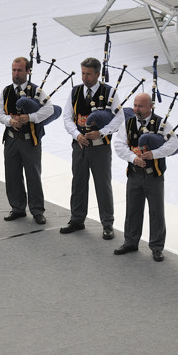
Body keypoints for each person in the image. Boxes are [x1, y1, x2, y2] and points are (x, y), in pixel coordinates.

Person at [112, 93, 178, 261]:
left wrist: (154, 154)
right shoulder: (128, 124)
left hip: (153, 176)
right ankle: (130, 241)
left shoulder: (160, 124)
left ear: (150, 107)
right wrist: (133, 158)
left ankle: (156, 246)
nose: (136, 109)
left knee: (156, 211)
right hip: (134, 174)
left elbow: (173, 144)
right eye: (135, 105)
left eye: (140, 106)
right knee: (132, 209)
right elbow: (119, 145)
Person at [61, 57, 123, 239]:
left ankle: (107, 223)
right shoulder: (75, 91)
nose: (84, 77)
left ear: (97, 74)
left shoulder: (109, 92)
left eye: (88, 74)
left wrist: (102, 132)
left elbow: (118, 118)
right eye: (82, 73)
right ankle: (77, 219)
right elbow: (67, 117)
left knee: (102, 185)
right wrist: (77, 135)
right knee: (78, 182)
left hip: (100, 148)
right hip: (80, 145)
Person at [0, 56, 53, 224]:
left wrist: (31, 117)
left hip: (30, 141)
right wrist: (9, 121)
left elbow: (49, 109)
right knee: (12, 174)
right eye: (14, 70)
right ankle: (17, 207)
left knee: (33, 176)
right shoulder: (6, 91)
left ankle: (37, 210)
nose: (16, 73)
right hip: (11, 140)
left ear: (28, 71)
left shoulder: (36, 91)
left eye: (20, 70)